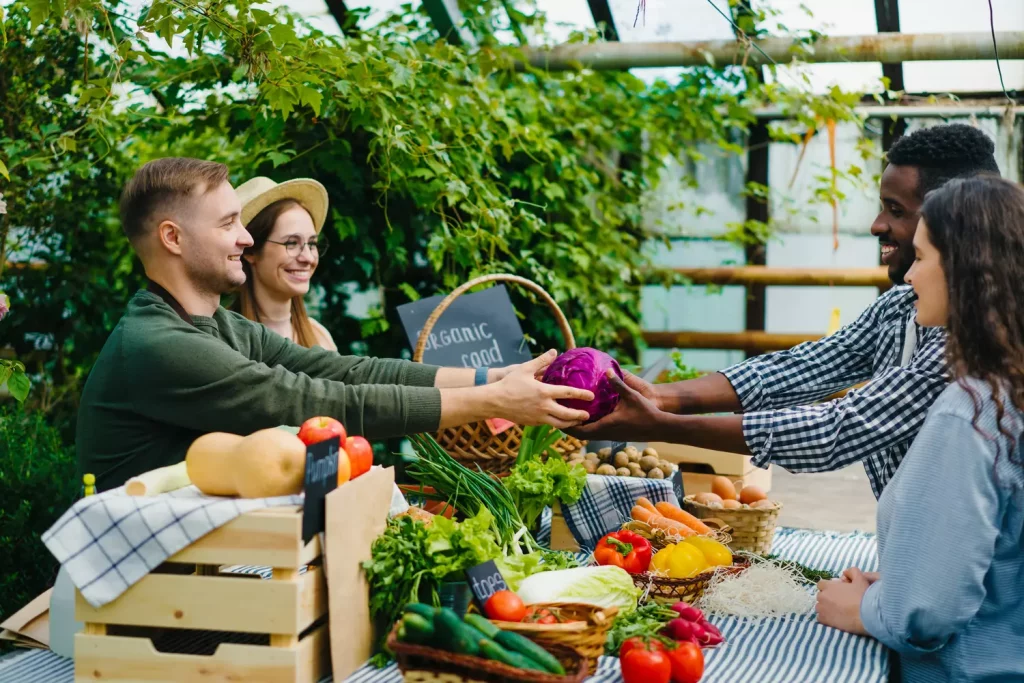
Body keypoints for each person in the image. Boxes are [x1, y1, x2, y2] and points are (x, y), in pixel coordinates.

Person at [77, 158, 593, 492]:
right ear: (172, 237)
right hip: (146, 580)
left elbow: (346, 372)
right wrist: (494, 403)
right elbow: (319, 402)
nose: (244, 239)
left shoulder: (213, 325)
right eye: (228, 224)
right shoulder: (160, 343)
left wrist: (496, 378)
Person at [569, 123, 1001, 498]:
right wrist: (662, 396)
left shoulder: (975, 341)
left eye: (896, 210)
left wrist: (660, 426)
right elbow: (806, 367)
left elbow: (841, 429)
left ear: (954, 222)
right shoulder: (900, 307)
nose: (876, 225)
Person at [815, 175, 1024, 682]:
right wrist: (896, 583)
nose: (910, 276)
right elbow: (998, 566)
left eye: (924, 258)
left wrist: (862, 609)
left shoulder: (970, 412)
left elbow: (927, 615)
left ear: (968, 274)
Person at [230, 176, 338, 350]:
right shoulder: (225, 340)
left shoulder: (320, 336)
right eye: (291, 243)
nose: (308, 258)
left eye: (311, 244)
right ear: (250, 250)